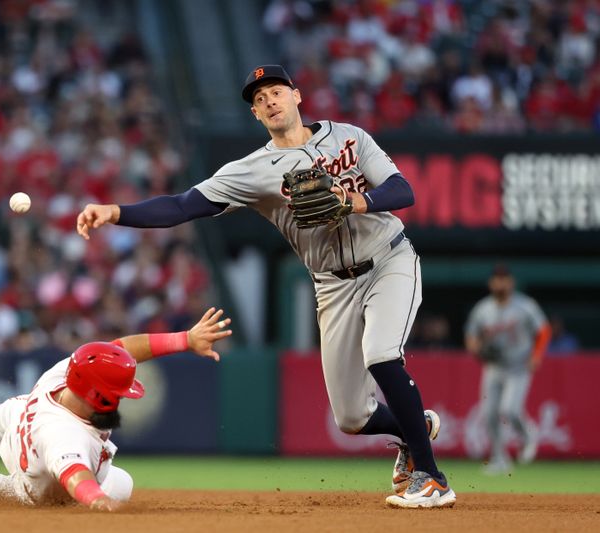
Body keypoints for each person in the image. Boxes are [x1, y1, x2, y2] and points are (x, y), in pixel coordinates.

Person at [76, 65, 455, 509]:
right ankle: (413, 430)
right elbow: (182, 206)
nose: (269, 101)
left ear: (296, 96)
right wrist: (115, 211)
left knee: (381, 354)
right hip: (332, 285)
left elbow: (402, 189)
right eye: (259, 99)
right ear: (256, 114)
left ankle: (432, 478)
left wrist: (357, 201)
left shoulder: (348, 137)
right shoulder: (252, 171)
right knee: (351, 417)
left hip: (389, 258)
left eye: (276, 91)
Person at [0, 307, 232, 510]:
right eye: (117, 393)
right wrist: (97, 501)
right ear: (98, 397)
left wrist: (184, 340)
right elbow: (76, 477)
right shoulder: (65, 435)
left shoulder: (67, 373)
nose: (122, 398)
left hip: (31, 445)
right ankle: (6, 489)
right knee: (28, 433)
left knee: (16, 409)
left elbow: (121, 349)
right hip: (41, 489)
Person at [465, 265, 551, 474]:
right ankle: (499, 458)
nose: (500, 283)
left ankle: (528, 435)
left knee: (510, 410)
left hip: (519, 366)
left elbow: (544, 330)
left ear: (511, 282)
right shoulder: (483, 309)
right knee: (489, 413)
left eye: (504, 279)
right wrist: (474, 346)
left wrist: (537, 355)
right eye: (497, 279)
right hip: (493, 366)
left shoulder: (525, 306)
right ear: (491, 283)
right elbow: (471, 336)